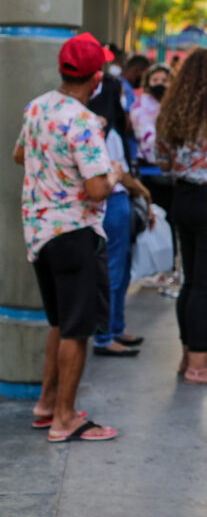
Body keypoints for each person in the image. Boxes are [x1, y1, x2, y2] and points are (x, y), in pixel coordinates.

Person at [13, 32, 121, 442]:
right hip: (76, 233)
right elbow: (96, 189)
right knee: (77, 330)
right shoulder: (83, 122)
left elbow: (21, 155)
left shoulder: (38, 107)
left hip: (39, 233)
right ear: (95, 79)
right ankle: (65, 419)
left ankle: (46, 406)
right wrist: (113, 172)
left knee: (59, 323)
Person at [155, 49, 207, 384]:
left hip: (182, 199)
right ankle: (199, 365)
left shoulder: (172, 111)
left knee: (190, 280)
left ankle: (188, 354)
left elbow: (161, 159)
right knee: (205, 284)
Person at [88, 70, 152, 355]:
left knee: (119, 271)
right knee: (113, 272)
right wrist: (143, 192)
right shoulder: (106, 131)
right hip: (112, 203)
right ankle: (105, 336)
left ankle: (115, 328)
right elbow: (119, 172)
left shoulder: (99, 127)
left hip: (113, 205)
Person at [131, 63, 175, 257]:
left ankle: (170, 264)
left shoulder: (176, 104)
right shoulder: (140, 106)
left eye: (164, 80)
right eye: (155, 80)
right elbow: (145, 138)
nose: (160, 84)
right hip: (149, 174)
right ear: (147, 82)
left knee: (172, 221)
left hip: (173, 174)